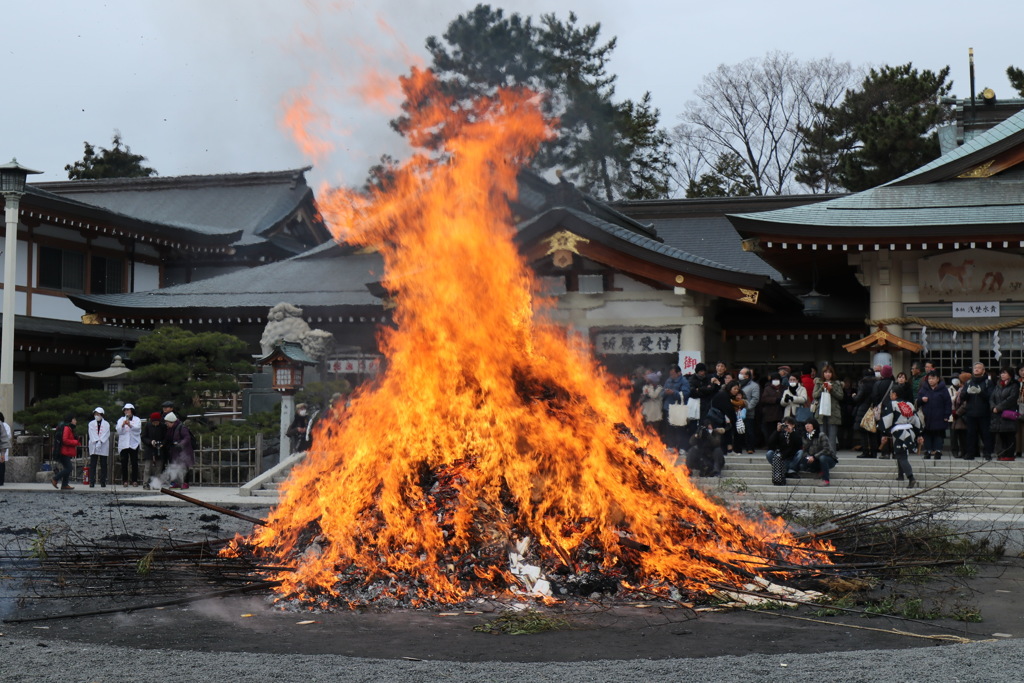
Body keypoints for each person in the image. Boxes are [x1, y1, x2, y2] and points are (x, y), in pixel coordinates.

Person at [879, 390, 922, 488]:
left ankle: (911, 478)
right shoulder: (909, 404)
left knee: (901, 455)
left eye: (891, 394)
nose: (890, 396)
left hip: (899, 432)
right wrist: (919, 433)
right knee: (901, 453)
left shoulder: (892, 404)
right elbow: (916, 420)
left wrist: (884, 433)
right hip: (909, 431)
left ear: (895, 394)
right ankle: (900, 475)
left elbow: (887, 419)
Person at [963, 363, 994, 461]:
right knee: (970, 434)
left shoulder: (988, 382)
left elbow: (991, 396)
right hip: (971, 412)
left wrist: (981, 392)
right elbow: (962, 397)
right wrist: (966, 393)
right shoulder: (968, 382)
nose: (976, 369)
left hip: (984, 412)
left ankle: (987, 453)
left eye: (979, 368)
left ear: (983, 371)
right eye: (975, 368)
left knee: (985, 434)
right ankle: (970, 453)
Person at [918, 371, 952, 459]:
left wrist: (946, 415)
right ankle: (928, 451)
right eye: (929, 378)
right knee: (927, 434)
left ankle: (938, 451)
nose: (931, 380)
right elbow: (917, 401)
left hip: (939, 416)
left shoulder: (943, 389)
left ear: (937, 379)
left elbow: (948, 403)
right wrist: (922, 400)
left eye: (933, 378)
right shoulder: (924, 388)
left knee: (938, 435)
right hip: (927, 417)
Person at [794, 418, 837, 486]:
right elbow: (804, 450)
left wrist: (814, 457)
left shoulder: (821, 435)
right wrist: (808, 457)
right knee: (803, 462)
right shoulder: (805, 437)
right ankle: (818, 470)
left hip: (827, 458)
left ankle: (826, 480)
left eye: (809, 424)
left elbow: (827, 450)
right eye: (806, 424)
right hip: (813, 459)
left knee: (823, 458)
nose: (807, 426)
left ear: (814, 425)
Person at [812, 364, 844, 452]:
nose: (828, 374)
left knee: (832, 436)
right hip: (821, 411)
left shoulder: (837, 383)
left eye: (829, 372)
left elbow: (841, 396)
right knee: (822, 435)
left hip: (833, 412)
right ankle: (822, 454)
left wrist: (832, 389)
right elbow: (814, 395)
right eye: (825, 372)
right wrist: (822, 388)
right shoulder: (818, 382)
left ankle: (832, 455)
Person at [989, 367, 1019, 461]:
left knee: (1009, 435)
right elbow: (991, 398)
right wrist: (993, 407)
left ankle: (1009, 455)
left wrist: (999, 407)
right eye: (1001, 373)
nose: (1002, 375)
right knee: (1000, 435)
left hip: (1008, 413)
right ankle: (1001, 454)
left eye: (1004, 373)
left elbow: (1011, 399)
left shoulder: (1014, 385)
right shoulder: (998, 385)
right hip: (997, 415)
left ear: (1010, 374)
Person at [661, 365, 689, 455]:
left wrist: (674, 393)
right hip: (668, 407)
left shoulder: (684, 381)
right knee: (669, 428)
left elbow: (686, 394)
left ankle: (682, 447)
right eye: (670, 374)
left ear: (679, 373)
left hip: (678, 409)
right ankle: (671, 446)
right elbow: (662, 392)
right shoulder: (668, 380)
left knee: (680, 428)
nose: (671, 376)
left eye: (673, 374)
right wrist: (665, 392)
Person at [854, 368, 880, 458]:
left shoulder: (863, 383)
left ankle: (865, 452)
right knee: (873, 432)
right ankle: (874, 452)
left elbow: (859, 398)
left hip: (863, 409)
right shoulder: (877, 383)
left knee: (863, 432)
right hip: (874, 409)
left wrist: (854, 396)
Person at [164, 412, 193, 489]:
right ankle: (175, 482)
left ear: (171, 422)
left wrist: (180, 444)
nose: (166, 424)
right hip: (175, 450)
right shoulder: (170, 429)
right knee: (174, 466)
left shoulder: (182, 428)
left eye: (167, 422)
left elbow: (187, 438)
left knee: (185, 467)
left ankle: (185, 483)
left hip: (184, 451)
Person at [116, 403, 143, 486]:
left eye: (128, 409)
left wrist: (130, 424)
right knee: (124, 463)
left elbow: (138, 429)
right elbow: (119, 430)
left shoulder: (137, 419)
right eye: (125, 410)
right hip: (124, 444)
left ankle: (134, 480)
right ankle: (125, 480)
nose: (126, 411)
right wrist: (123, 425)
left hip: (133, 443)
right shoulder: (121, 420)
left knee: (134, 463)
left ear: (132, 410)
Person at [51, 413, 79, 491]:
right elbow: (65, 440)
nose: (76, 421)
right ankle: (55, 479)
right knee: (69, 468)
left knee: (67, 467)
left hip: (64, 451)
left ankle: (65, 484)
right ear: (71, 420)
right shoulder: (67, 428)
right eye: (74, 419)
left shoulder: (68, 428)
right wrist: (75, 442)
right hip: (63, 451)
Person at [140, 411, 167, 490]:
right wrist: (150, 442)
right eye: (154, 422)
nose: (155, 423)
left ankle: (156, 483)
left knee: (159, 467)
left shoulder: (163, 426)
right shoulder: (148, 426)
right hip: (149, 448)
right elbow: (143, 437)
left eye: (157, 422)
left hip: (160, 449)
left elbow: (166, 438)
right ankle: (145, 483)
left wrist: (162, 443)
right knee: (147, 468)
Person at [87, 407, 111, 488]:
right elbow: (92, 433)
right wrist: (96, 441)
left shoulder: (106, 424)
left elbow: (106, 433)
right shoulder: (91, 423)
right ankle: (91, 481)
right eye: (95, 414)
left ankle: (103, 481)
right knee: (93, 464)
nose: (96, 415)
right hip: (94, 444)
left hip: (103, 444)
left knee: (103, 464)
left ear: (101, 415)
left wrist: (101, 441)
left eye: (98, 414)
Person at [737, 368, 759, 453]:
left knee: (749, 431)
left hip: (748, 412)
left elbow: (755, 399)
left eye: (742, 373)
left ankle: (750, 447)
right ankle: (738, 447)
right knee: (738, 430)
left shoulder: (754, 385)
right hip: (737, 411)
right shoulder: (738, 384)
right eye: (740, 373)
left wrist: (747, 407)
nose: (740, 374)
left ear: (747, 375)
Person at [759, 373, 783, 448]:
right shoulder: (767, 388)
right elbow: (764, 399)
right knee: (770, 432)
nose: (776, 381)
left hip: (780, 414)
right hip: (769, 415)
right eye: (774, 379)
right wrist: (776, 400)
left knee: (780, 432)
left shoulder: (784, 388)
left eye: (777, 379)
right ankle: (771, 447)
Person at [0, 412, 10, 485]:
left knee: (1, 465)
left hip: (1, 448)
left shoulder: (2, 425)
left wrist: (3, 453)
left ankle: (1, 480)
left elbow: (4, 438)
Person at [1016, 365, 1024, 459]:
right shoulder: (1016, 382)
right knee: (1018, 431)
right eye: (1021, 370)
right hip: (1018, 406)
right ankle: (1018, 450)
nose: (1023, 372)